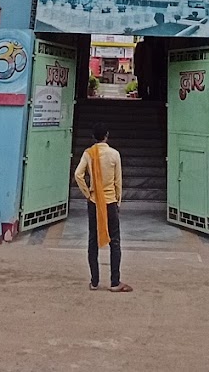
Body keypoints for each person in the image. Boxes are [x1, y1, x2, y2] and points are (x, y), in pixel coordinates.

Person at [73, 124, 132, 292]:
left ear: (93, 137)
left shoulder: (88, 154)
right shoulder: (114, 154)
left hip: (94, 202)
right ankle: (115, 282)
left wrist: (88, 192)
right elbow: (118, 181)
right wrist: (117, 200)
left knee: (93, 240)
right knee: (115, 241)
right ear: (107, 136)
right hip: (110, 201)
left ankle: (94, 281)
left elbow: (78, 174)